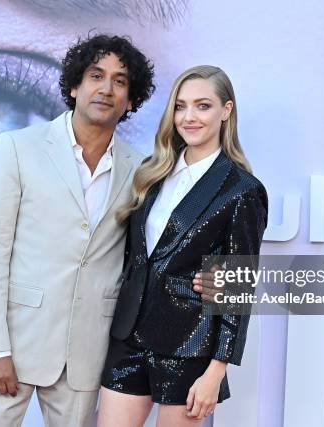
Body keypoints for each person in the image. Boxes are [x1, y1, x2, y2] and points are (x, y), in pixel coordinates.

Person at [0, 34, 155, 426]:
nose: (106, 88)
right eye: (95, 75)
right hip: (15, 345)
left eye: (120, 81)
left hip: (87, 351)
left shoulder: (141, 170)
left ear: (131, 99)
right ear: (74, 86)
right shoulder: (17, 148)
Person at [98, 65, 268, 427]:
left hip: (188, 345)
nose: (189, 117)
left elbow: (237, 288)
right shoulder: (152, 172)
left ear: (226, 111)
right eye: (180, 106)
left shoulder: (242, 190)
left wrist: (216, 371)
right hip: (128, 337)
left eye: (203, 106)